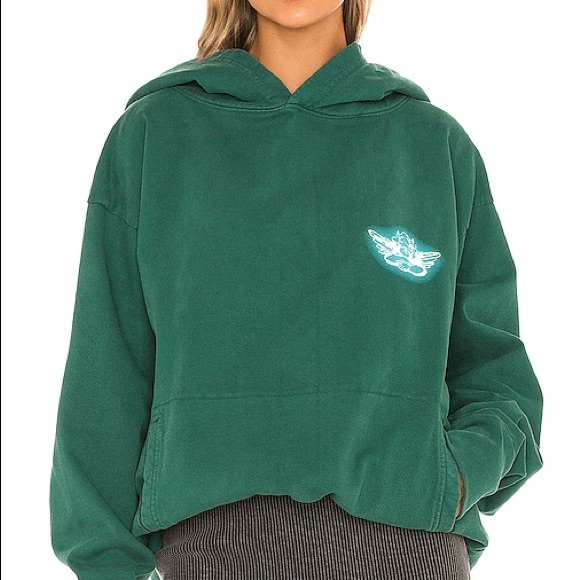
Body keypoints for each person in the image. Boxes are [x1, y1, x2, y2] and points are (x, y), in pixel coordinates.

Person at [49, 1, 544, 579]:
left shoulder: (434, 146)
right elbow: (105, 372)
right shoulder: (155, 135)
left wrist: (454, 479)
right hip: (214, 554)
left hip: (414, 554)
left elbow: (496, 374)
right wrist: (106, 564)